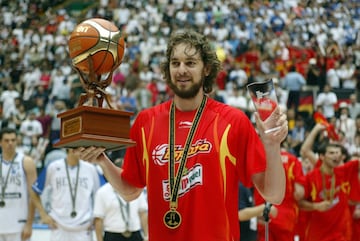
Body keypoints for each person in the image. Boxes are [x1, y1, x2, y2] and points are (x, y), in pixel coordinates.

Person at [76, 29, 287, 241]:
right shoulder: (145, 122)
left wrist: (272, 145)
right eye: (175, 63)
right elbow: (131, 190)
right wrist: (102, 160)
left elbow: (274, 194)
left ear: (206, 69)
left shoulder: (233, 121)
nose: (181, 70)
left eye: (190, 63)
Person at [31, 148, 105, 241]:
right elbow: (34, 191)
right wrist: (43, 215)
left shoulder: (91, 168)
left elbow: (102, 193)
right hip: (58, 226)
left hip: (83, 227)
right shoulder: (53, 167)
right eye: (79, 148)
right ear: (69, 149)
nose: (82, 151)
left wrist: (96, 216)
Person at [295, 142, 360, 241]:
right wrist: (315, 206)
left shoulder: (344, 171)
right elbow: (299, 203)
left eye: (337, 153)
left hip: (341, 235)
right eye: (331, 153)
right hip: (318, 235)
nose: (336, 156)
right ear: (322, 156)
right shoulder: (311, 177)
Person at [93, 159, 148, 241]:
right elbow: (98, 219)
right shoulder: (102, 192)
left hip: (135, 235)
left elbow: (142, 213)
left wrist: (147, 236)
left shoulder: (135, 188)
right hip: (113, 235)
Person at [0, 127, 37, 241]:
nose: (10, 143)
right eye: (6, 140)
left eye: (13, 140)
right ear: (0, 142)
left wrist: (29, 224)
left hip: (19, 225)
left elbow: (34, 195)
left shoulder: (26, 162)